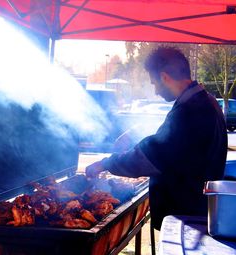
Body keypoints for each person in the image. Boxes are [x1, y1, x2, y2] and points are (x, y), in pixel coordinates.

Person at [85, 47, 228, 230]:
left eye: (154, 83)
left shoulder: (190, 111)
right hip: (197, 210)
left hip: (186, 215)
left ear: (164, 77)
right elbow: (174, 143)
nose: (155, 91)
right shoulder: (206, 101)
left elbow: (152, 156)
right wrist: (136, 131)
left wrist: (105, 164)